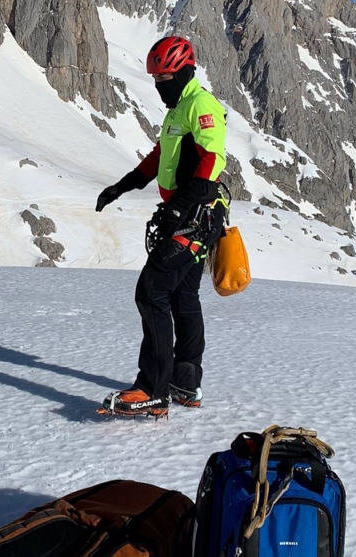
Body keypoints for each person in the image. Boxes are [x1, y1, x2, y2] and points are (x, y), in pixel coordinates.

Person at [96, 36, 228, 417]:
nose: (159, 86)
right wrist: (120, 187)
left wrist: (180, 211)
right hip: (188, 212)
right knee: (183, 297)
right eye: (155, 79)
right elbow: (159, 158)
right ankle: (185, 382)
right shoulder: (177, 109)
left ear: (184, 71)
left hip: (195, 215)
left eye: (164, 78)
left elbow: (211, 161)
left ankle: (152, 389)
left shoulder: (200, 105)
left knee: (151, 290)